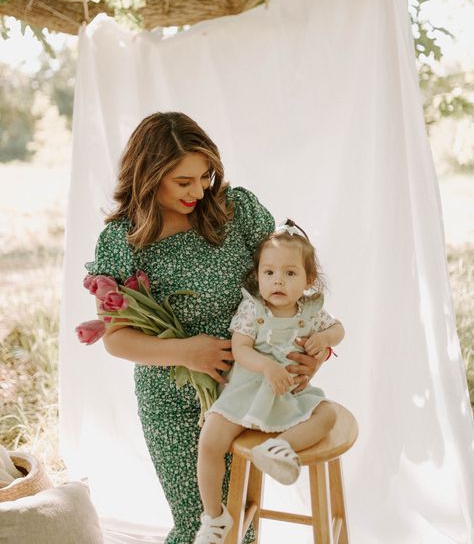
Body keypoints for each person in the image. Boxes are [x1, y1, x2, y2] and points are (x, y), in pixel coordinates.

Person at [85, 112, 330, 544]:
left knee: (240, 521)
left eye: (205, 176)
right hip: (173, 400)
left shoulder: (237, 213)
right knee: (203, 524)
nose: (198, 191)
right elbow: (117, 339)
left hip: (249, 386)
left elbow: (285, 281)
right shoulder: (123, 240)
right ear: (148, 175)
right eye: (183, 181)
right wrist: (187, 352)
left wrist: (312, 349)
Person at [194, 221, 345, 544]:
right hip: (247, 392)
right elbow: (240, 349)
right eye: (269, 272)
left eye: (290, 274)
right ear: (258, 275)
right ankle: (214, 519)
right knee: (209, 440)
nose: (278, 280)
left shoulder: (310, 312)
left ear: (308, 280)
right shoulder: (253, 309)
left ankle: (278, 448)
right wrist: (266, 367)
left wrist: (324, 338)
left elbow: (339, 330)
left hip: (290, 394)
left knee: (327, 414)